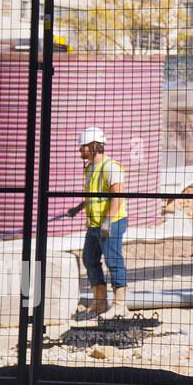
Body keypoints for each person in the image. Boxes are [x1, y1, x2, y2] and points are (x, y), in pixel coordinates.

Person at [67, 126, 128, 319]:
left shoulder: (110, 167)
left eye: (82, 147)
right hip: (94, 222)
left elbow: (117, 196)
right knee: (89, 259)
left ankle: (120, 305)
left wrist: (108, 221)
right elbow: (95, 195)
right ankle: (100, 303)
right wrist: (79, 207)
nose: (79, 151)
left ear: (93, 146)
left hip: (111, 222)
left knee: (113, 260)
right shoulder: (91, 168)